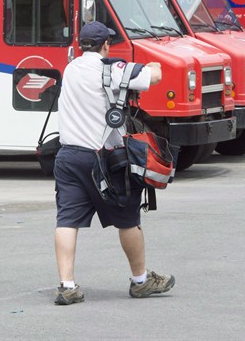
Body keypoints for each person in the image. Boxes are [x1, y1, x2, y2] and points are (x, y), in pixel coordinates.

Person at [53, 20, 174, 306]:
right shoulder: (112, 69)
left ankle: (67, 285)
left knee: (67, 220)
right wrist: (154, 63)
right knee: (128, 219)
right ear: (105, 44)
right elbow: (153, 77)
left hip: (69, 156)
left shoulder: (70, 69)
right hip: (106, 159)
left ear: (81, 44)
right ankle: (141, 281)